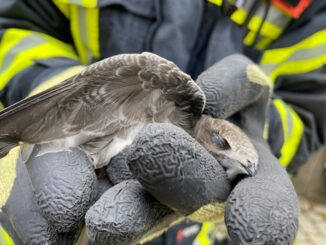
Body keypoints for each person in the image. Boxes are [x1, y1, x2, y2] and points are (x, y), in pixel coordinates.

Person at [0, 0, 324, 244]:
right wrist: (73, 101)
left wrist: (262, 132)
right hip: (59, 157)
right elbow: (15, 22)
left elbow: (309, 107)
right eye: (222, 146)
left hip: (191, 228)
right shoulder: (165, 89)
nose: (233, 163)